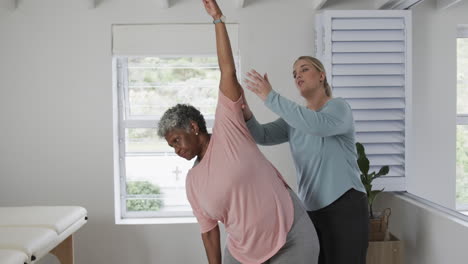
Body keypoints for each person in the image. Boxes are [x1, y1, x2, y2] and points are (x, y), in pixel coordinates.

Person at [156, 1, 319, 264]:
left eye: (177, 140)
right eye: (172, 147)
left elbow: (227, 71)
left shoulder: (229, 128)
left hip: (290, 236)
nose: (177, 150)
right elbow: (209, 232)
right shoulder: (193, 182)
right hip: (243, 253)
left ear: (194, 127)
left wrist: (218, 20)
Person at [243, 57, 369, 264]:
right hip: (311, 211)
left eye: (304, 69)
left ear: (322, 76)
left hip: (345, 205)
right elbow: (262, 135)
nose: (297, 75)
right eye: (294, 73)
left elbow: (316, 126)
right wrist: (246, 114)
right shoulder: (294, 120)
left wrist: (271, 97)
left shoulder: (339, 108)